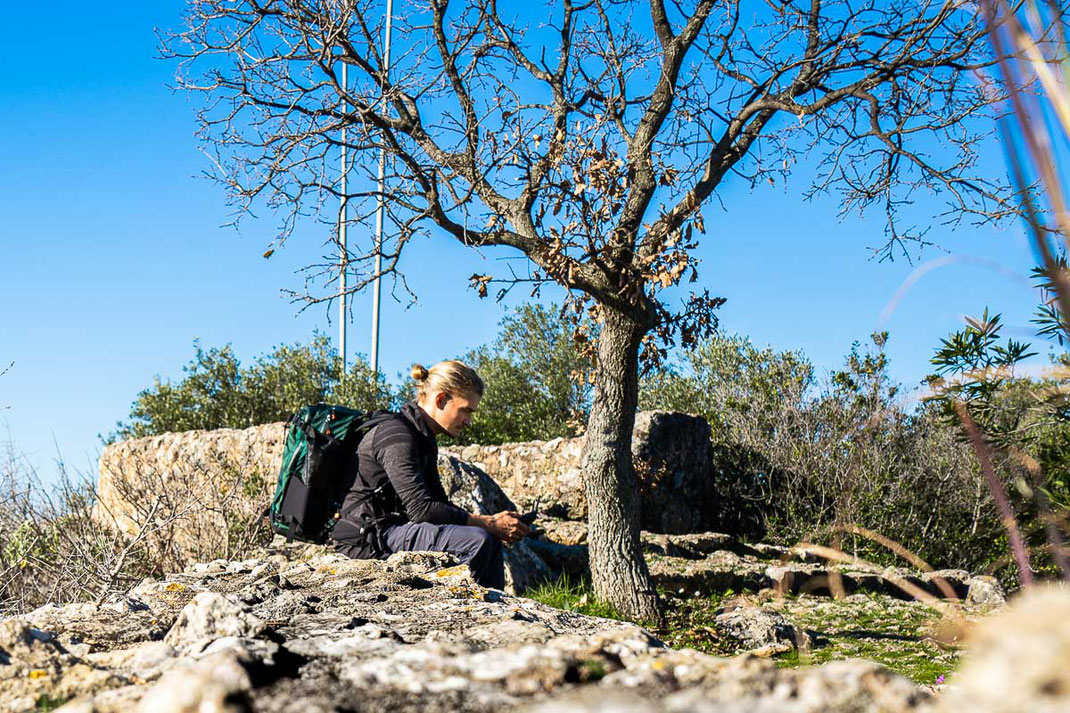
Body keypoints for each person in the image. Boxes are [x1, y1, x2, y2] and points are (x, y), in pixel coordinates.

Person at [329, 360, 529, 588]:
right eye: (465, 410)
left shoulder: (423, 438)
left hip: (392, 531)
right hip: (367, 538)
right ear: (441, 399)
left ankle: (493, 614)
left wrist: (491, 526)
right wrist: (488, 522)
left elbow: (439, 504)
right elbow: (422, 509)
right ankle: (464, 614)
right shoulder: (397, 435)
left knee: (489, 540)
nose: (469, 421)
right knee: (477, 540)